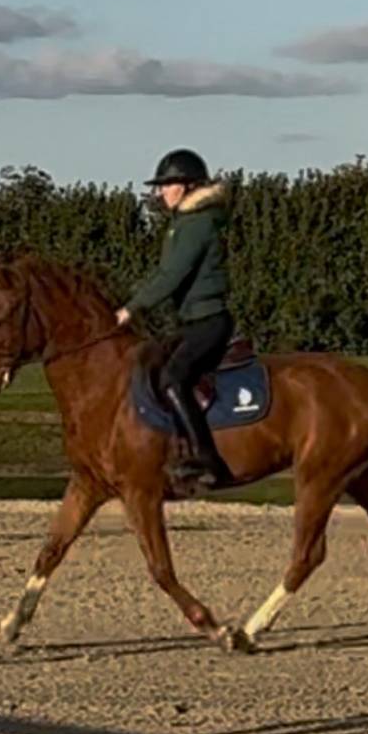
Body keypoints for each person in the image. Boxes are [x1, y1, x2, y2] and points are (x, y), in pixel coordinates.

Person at [116, 148, 235, 490]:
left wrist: (131, 309)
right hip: (191, 321)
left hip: (208, 322)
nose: (159, 192)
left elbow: (171, 276)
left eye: (166, 184)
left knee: (172, 378)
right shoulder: (185, 223)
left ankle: (207, 459)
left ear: (186, 186)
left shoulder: (196, 224)